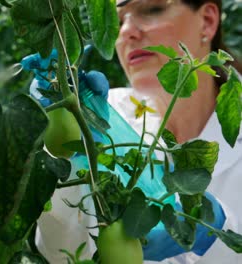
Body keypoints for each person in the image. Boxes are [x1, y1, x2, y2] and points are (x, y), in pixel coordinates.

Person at [31, 0, 242, 263]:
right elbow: (60, 255)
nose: (127, 31)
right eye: (119, 22)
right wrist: (67, 153)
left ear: (208, 20)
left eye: (152, 9)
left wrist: (218, 235)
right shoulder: (108, 114)